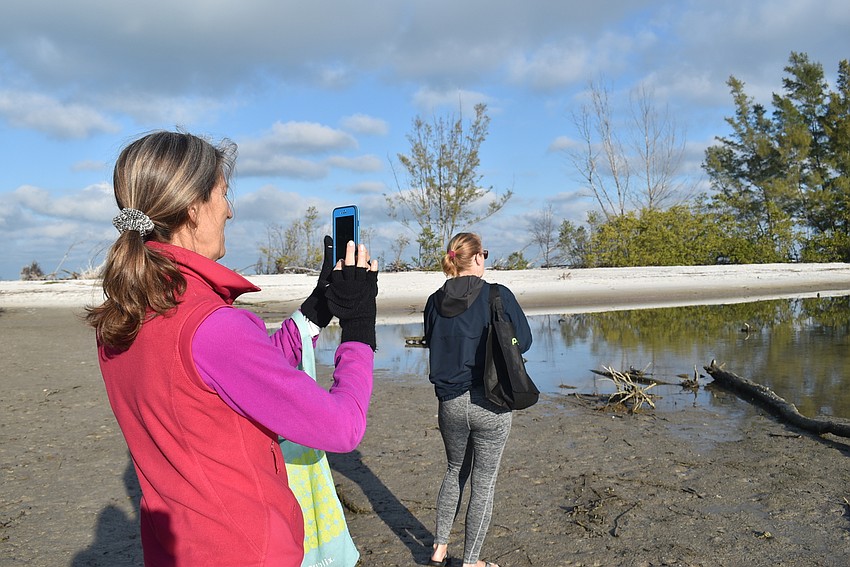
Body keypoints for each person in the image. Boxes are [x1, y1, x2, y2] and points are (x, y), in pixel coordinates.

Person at [86, 130, 378, 566]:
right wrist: (359, 326)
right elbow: (342, 428)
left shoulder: (122, 317)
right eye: (223, 193)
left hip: (173, 551)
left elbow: (235, 380)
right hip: (248, 551)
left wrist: (317, 308)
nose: (230, 210)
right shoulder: (212, 325)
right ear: (192, 207)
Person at [423, 233, 532, 567]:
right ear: (478, 257)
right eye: (483, 252)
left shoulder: (434, 301)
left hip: (450, 404)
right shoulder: (497, 295)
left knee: (455, 471)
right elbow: (524, 341)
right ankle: (471, 562)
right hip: (492, 403)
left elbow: (432, 341)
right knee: (483, 484)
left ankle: (439, 548)